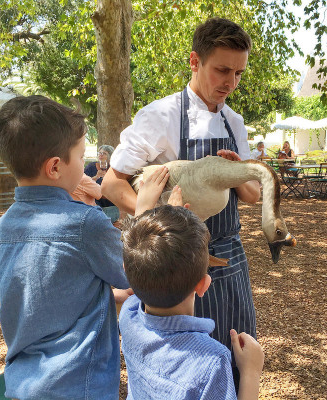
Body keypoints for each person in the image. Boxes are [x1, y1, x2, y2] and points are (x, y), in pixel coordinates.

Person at [102, 17, 261, 388]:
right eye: (222, 70)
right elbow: (112, 183)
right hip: (179, 265)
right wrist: (160, 222)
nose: (230, 83)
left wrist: (239, 172)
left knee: (236, 358)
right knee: (187, 369)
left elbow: (252, 196)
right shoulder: (161, 115)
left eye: (239, 73)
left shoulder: (234, 122)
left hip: (230, 257)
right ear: (195, 61)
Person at [0, 95, 131, 400]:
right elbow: (135, 276)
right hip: (80, 385)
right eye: (82, 157)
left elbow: (46, 289)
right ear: (55, 167)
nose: (85, 164)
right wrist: (147, 211)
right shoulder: (86, 224)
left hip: (22, 385)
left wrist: (106, 293)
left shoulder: (2, 229)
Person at [119, 173, 264, 399]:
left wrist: (150, 209)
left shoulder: (129, 318)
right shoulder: (211, 360)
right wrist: (251, 372)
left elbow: (138, 262)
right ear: (204, 285)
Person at [85, 144, 120, 223]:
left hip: (110, 200)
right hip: (95, 200)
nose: (100, 155)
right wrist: (96, 177)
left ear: (110, 156)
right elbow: (83, 182)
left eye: (104, 153)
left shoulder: (114, 168)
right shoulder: (91, 167)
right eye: (99, 153)